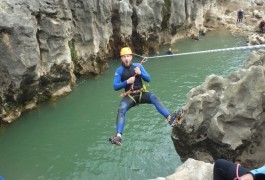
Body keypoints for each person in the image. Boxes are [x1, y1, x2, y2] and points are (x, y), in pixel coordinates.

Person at [109, 47, 184, 145]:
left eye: (128, 56)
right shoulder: (119, 71)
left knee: (154, 97)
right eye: (124, 57)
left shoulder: (138, 66)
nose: (126, 59)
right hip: (130, 96)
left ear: (131, 57)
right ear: (121, 59)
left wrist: (140, 73)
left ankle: (170, 119)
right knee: (121, 109)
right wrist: (126, 82)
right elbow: (115, 86)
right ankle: (118, 136)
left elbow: (148, 79)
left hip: (141, 93)